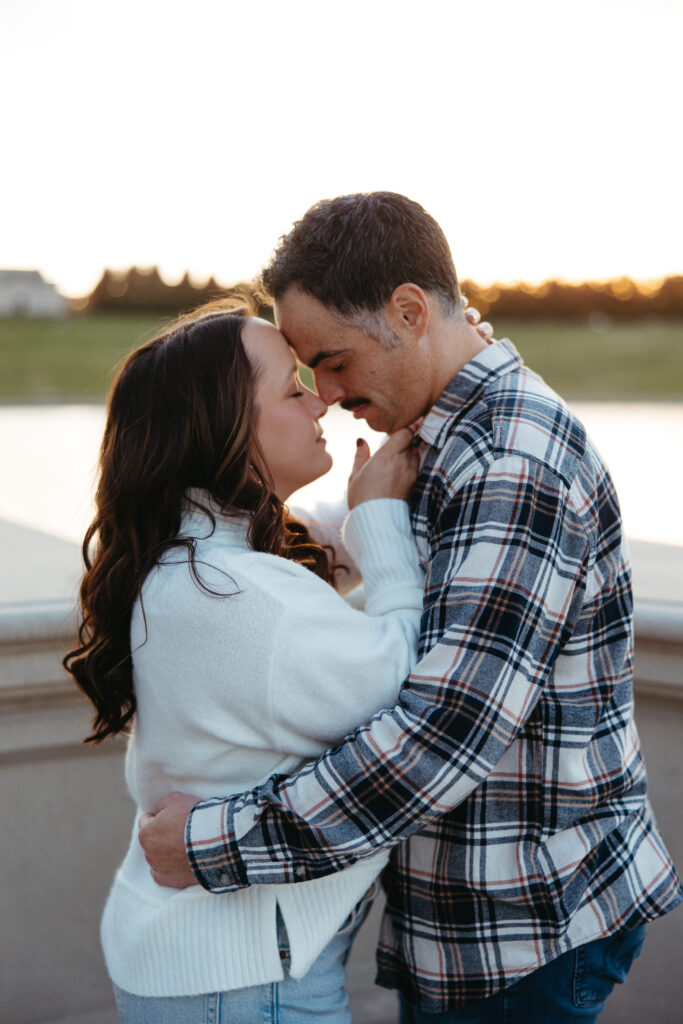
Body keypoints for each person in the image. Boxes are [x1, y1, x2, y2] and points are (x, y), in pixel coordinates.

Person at [139, 193, 683, 1023]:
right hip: (470, 922)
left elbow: (441, 738)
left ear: (407, 311)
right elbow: (356, 546)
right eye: (302, 374)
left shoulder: (510, 463)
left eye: (332, 361)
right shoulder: (438, 428)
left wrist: (214, 844)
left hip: (522, 934)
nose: (322, 392)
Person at [64, 299, 432, 1023]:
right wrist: (382, 519)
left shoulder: (191, 562)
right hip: (242, 985)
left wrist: (368, 511)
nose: (319, 397)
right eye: (292, 388)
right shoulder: (232, 594)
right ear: (225, 429)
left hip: (206, 964)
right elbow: (404, 685)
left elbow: (300, 582)